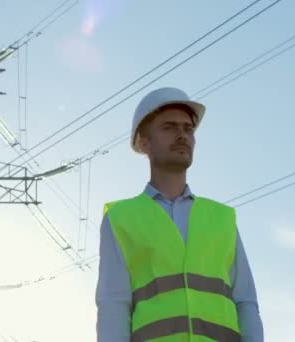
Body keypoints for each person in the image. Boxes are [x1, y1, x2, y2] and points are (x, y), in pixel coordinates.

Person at [95, 87, 263, 341]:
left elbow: (246, 302)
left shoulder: (222, 218)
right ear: (144, 141)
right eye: (169, 127)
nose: (182, 135)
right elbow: (113, 306)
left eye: (188, 129)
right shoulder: (121, 218)